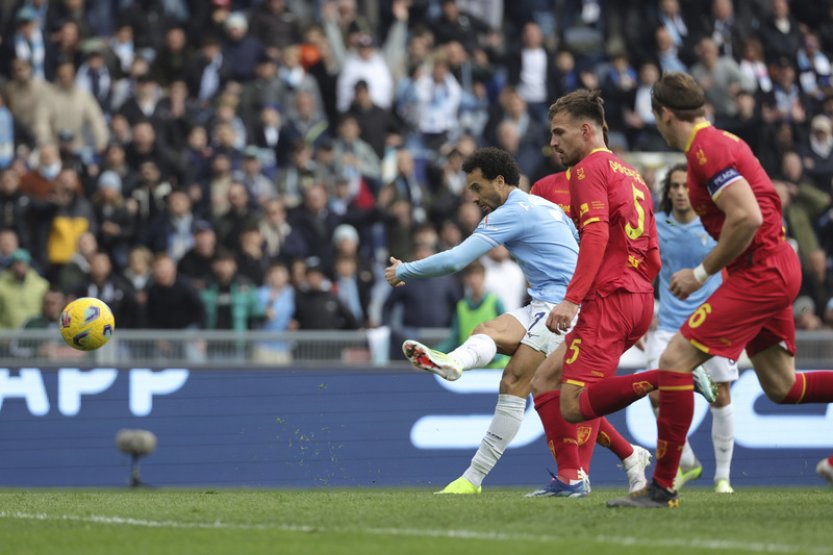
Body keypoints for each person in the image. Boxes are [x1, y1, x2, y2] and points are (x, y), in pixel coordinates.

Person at [563, 73, 833, 509]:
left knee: (674, 361)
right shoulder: (716, 147)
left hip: (760, 271)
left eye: (658, 119)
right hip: (773, 267)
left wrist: (701, 271)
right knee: (783, 386)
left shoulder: (708, 150)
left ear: (665, 115)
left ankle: (663, 487)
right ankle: (667, 483)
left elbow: (747, 217)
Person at [385, 148, 649, 496]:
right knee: (488, 332)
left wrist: (403, 270)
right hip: (551, 303)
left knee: (516, 381)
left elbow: (454, 260)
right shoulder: (545, 206)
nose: (474, 197)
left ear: (500, 181)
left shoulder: (511, 212)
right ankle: (455, 361)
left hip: (563, 311)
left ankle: (472, 479)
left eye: (478, 188)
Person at [537, 89, 662, 498]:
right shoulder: (632, 174)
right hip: (637, 295)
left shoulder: (587, 169)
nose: (553, 142)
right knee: (546, 379)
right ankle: (575, 476)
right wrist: (639, 301)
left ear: (586, 130)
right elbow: (654, 252)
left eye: (559, 133)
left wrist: (573, 298)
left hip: (609, 298)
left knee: (573, 402)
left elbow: (594, 232)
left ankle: (670, 378)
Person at [647, 163, 738, 494]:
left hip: (711, 325)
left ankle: (723, 477)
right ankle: (688, 462)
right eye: (675, 186)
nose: (681, 191)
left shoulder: (713, 225)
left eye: (686, 186)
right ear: (668, 191)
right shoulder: (656, 226)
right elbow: (644, 270)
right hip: (670, 325)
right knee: (653, 391)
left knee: (721, 396)